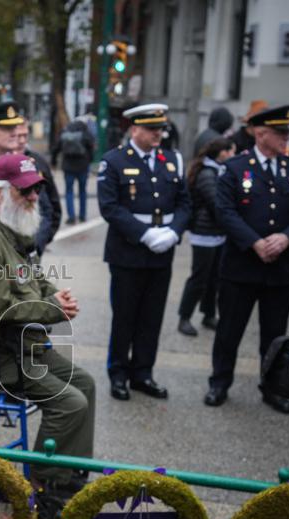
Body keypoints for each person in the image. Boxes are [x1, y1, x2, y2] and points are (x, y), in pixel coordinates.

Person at [0, 154, 95, 519]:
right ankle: (42, 490)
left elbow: (36, 280)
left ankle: (71, 480)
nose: (34, 197)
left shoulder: (12, 227)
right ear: (1, 192)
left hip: (24, 347)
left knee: (85, 383)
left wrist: (57, 297)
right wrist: (52, 308)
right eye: (26, 191)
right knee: (71, 403)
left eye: (37, 188)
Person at [205, 105, 289, 413]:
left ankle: (272, 387)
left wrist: (287, 236)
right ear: (260, 133)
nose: (285, 137)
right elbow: (224, 211)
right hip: (241, 267)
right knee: (229, 331)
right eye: (280, 132)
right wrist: (254, 242)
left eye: (287, 132)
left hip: (279, 267)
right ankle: (219, 382)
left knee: (275, 333)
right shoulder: (236, 167)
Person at [97, 103, 191, 401]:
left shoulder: (172, 159)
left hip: (162, 252)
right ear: (134, 129)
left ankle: (143, 373)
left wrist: (174, 231)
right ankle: (118, 373)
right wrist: (145, 234)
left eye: (160, 129)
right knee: (125, 316)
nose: (157, 135)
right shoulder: (113, 161)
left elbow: (185, 203)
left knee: (152, 316)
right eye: (151, 129)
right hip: (128, 253)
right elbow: (109, 207)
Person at [177, 137, 236, 336]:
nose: (233, 155)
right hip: (204, 233)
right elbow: (215, 202)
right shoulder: (208, 173)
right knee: (199, 278)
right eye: (231, 151)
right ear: (222, 152)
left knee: (214, 278)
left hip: (217, 233)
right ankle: (184, 317)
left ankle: (208, 314)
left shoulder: (217, 170)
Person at [14, 119, 62, 255]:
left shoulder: (39, 161)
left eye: (25, 135)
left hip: (34, 245)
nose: (22, 140)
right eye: (18, 136)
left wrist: (41, 242)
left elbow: (52, 204)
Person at [56, 116, 96, 225]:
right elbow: (91, 148)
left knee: (69, 191)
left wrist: (54, 161)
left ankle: (71, 216)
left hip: (68, 166)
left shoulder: (65, 132)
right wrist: (89, 160)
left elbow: (57, 147)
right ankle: (82, 215)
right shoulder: (85, 132)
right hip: (83, 166)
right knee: (82, 191)